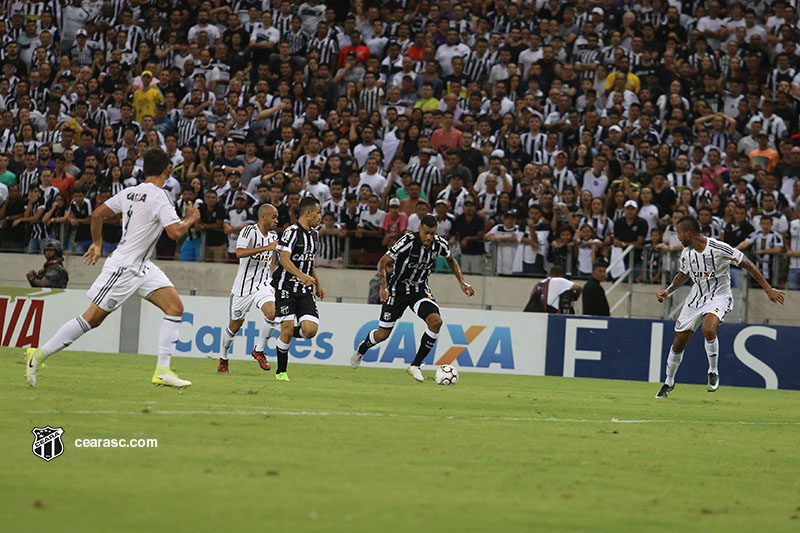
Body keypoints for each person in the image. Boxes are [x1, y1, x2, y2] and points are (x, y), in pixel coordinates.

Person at [25, 149, 201, 388]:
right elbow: (175, 232)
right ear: (167, 170)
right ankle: (38, 355)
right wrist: (190, 218)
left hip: (142, 266)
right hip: (125, 267)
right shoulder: (160, 196)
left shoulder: (129, 192)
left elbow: (97, 214)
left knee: (175, 307)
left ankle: (162, 370)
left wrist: (97, 245)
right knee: (91, 320)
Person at [654, 216, 784, 399]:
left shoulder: (719, 248)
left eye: (679, 233)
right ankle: (668, 382)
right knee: (679, 342)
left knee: (708, 328)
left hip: (719, 296)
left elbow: (748, 264)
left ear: (688, 232)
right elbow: (683, 275)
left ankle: (713, 371)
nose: (678, 238)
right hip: (695, 299)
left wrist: (768, 289)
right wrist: (668, 291)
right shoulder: (686, 253)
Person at [350, 214, 474, 381]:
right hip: (396, 291)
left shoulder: (440, 245)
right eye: (426, 233)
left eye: (432, 233)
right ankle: (362, 348)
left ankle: (415, 365)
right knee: (382, 335)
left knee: (436, 321)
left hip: (419, 290)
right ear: (419, 229)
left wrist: (462, 282)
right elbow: (383, 262)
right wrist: (383, 286)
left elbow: (451, 259)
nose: (429, 237)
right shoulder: (407, 241)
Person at [217, 204, 280, 374]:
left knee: (272, 313)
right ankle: (223, 358)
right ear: (263, 217)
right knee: (234, 327)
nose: (277, 220)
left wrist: (273, 280)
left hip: (263, 284)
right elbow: (239, 253)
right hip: (243, 288)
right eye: (273, 217)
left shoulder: (273, 235)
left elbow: (271, 260)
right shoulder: (249, 231)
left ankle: (258, 350)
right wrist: (267, 247)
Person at [271, 196, 325, 381]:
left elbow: (310, 262)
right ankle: (281, 372)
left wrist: (317, 283)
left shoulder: (314, 235)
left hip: (305, 290)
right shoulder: (291, 232)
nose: (320, 217)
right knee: (286, 329)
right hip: (285, 286)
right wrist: (301, 275)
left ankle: (284, 332)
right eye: (318, 213)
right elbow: (283, 258)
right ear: (308, 213)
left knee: (310, 330)